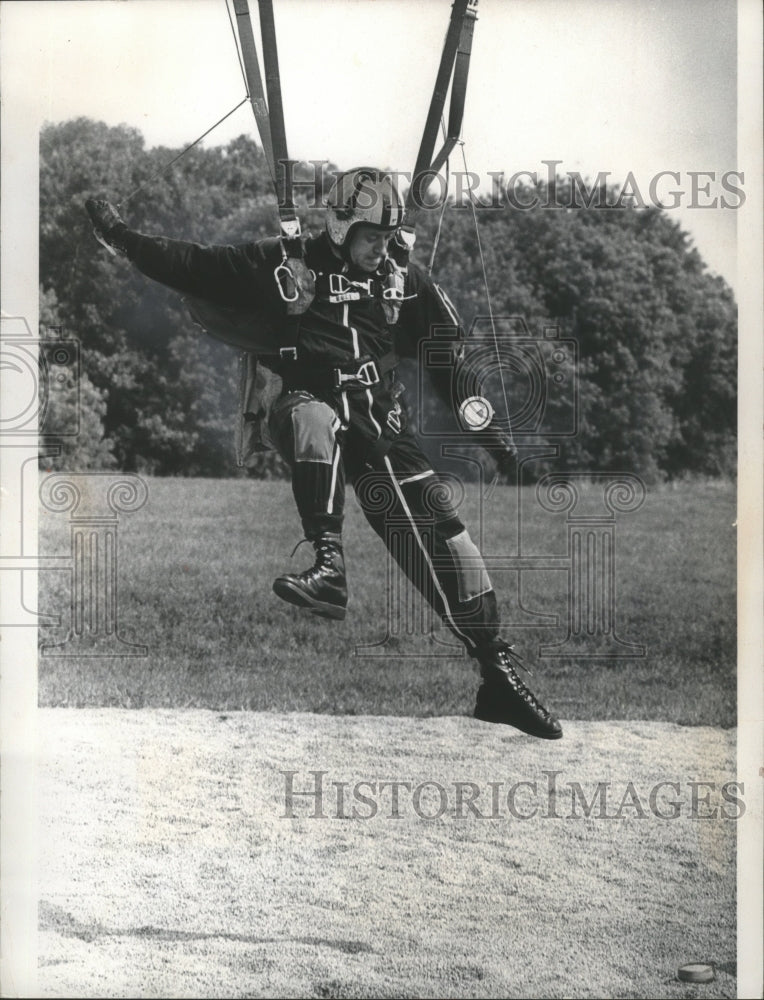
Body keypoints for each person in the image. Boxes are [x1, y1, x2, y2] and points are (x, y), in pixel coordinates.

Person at [85, 167, 562, 740]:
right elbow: (191, 263)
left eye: (387, 238)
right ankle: (329, 565)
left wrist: (495, 439)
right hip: (306, 406)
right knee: (316, 418)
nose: (380, 249)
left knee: (454, 549)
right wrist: (118, 234)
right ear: (339, 226)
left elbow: (449, 367)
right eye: (370, 237)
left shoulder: (402, 282)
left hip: (384, 427)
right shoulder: (287, 263)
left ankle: (496, 673)